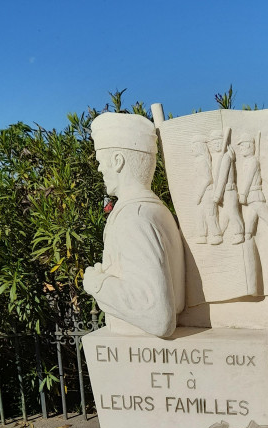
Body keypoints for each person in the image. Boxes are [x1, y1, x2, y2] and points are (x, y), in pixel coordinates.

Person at [83, 112, 185, 337]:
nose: (99, 169)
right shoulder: (155, 209)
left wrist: (97, 283)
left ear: (118, 161)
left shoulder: (134, 218)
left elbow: (158, 317)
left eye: (100, 161)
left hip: (139, 343)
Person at [235, 130, 268, 241]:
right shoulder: (248, 161)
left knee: (264, 214)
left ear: (249, 146)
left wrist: (243, 194)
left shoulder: (252, 161)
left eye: (242, 146)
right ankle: (247, 236)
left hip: (255, 194)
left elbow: (248, 179)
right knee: (249, 218)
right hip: (251, 196)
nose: (240, 149)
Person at [208, 129, 245, 245]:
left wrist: (217, 195)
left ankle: (239, 233)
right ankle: (219, 235)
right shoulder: (218, 158)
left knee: (232, 212)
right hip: (223, 192)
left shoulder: (226, 157)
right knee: (224, 214)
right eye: (214, 143)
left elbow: (222, 178)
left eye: (219, 142)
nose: (217, 145)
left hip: (228, 190)